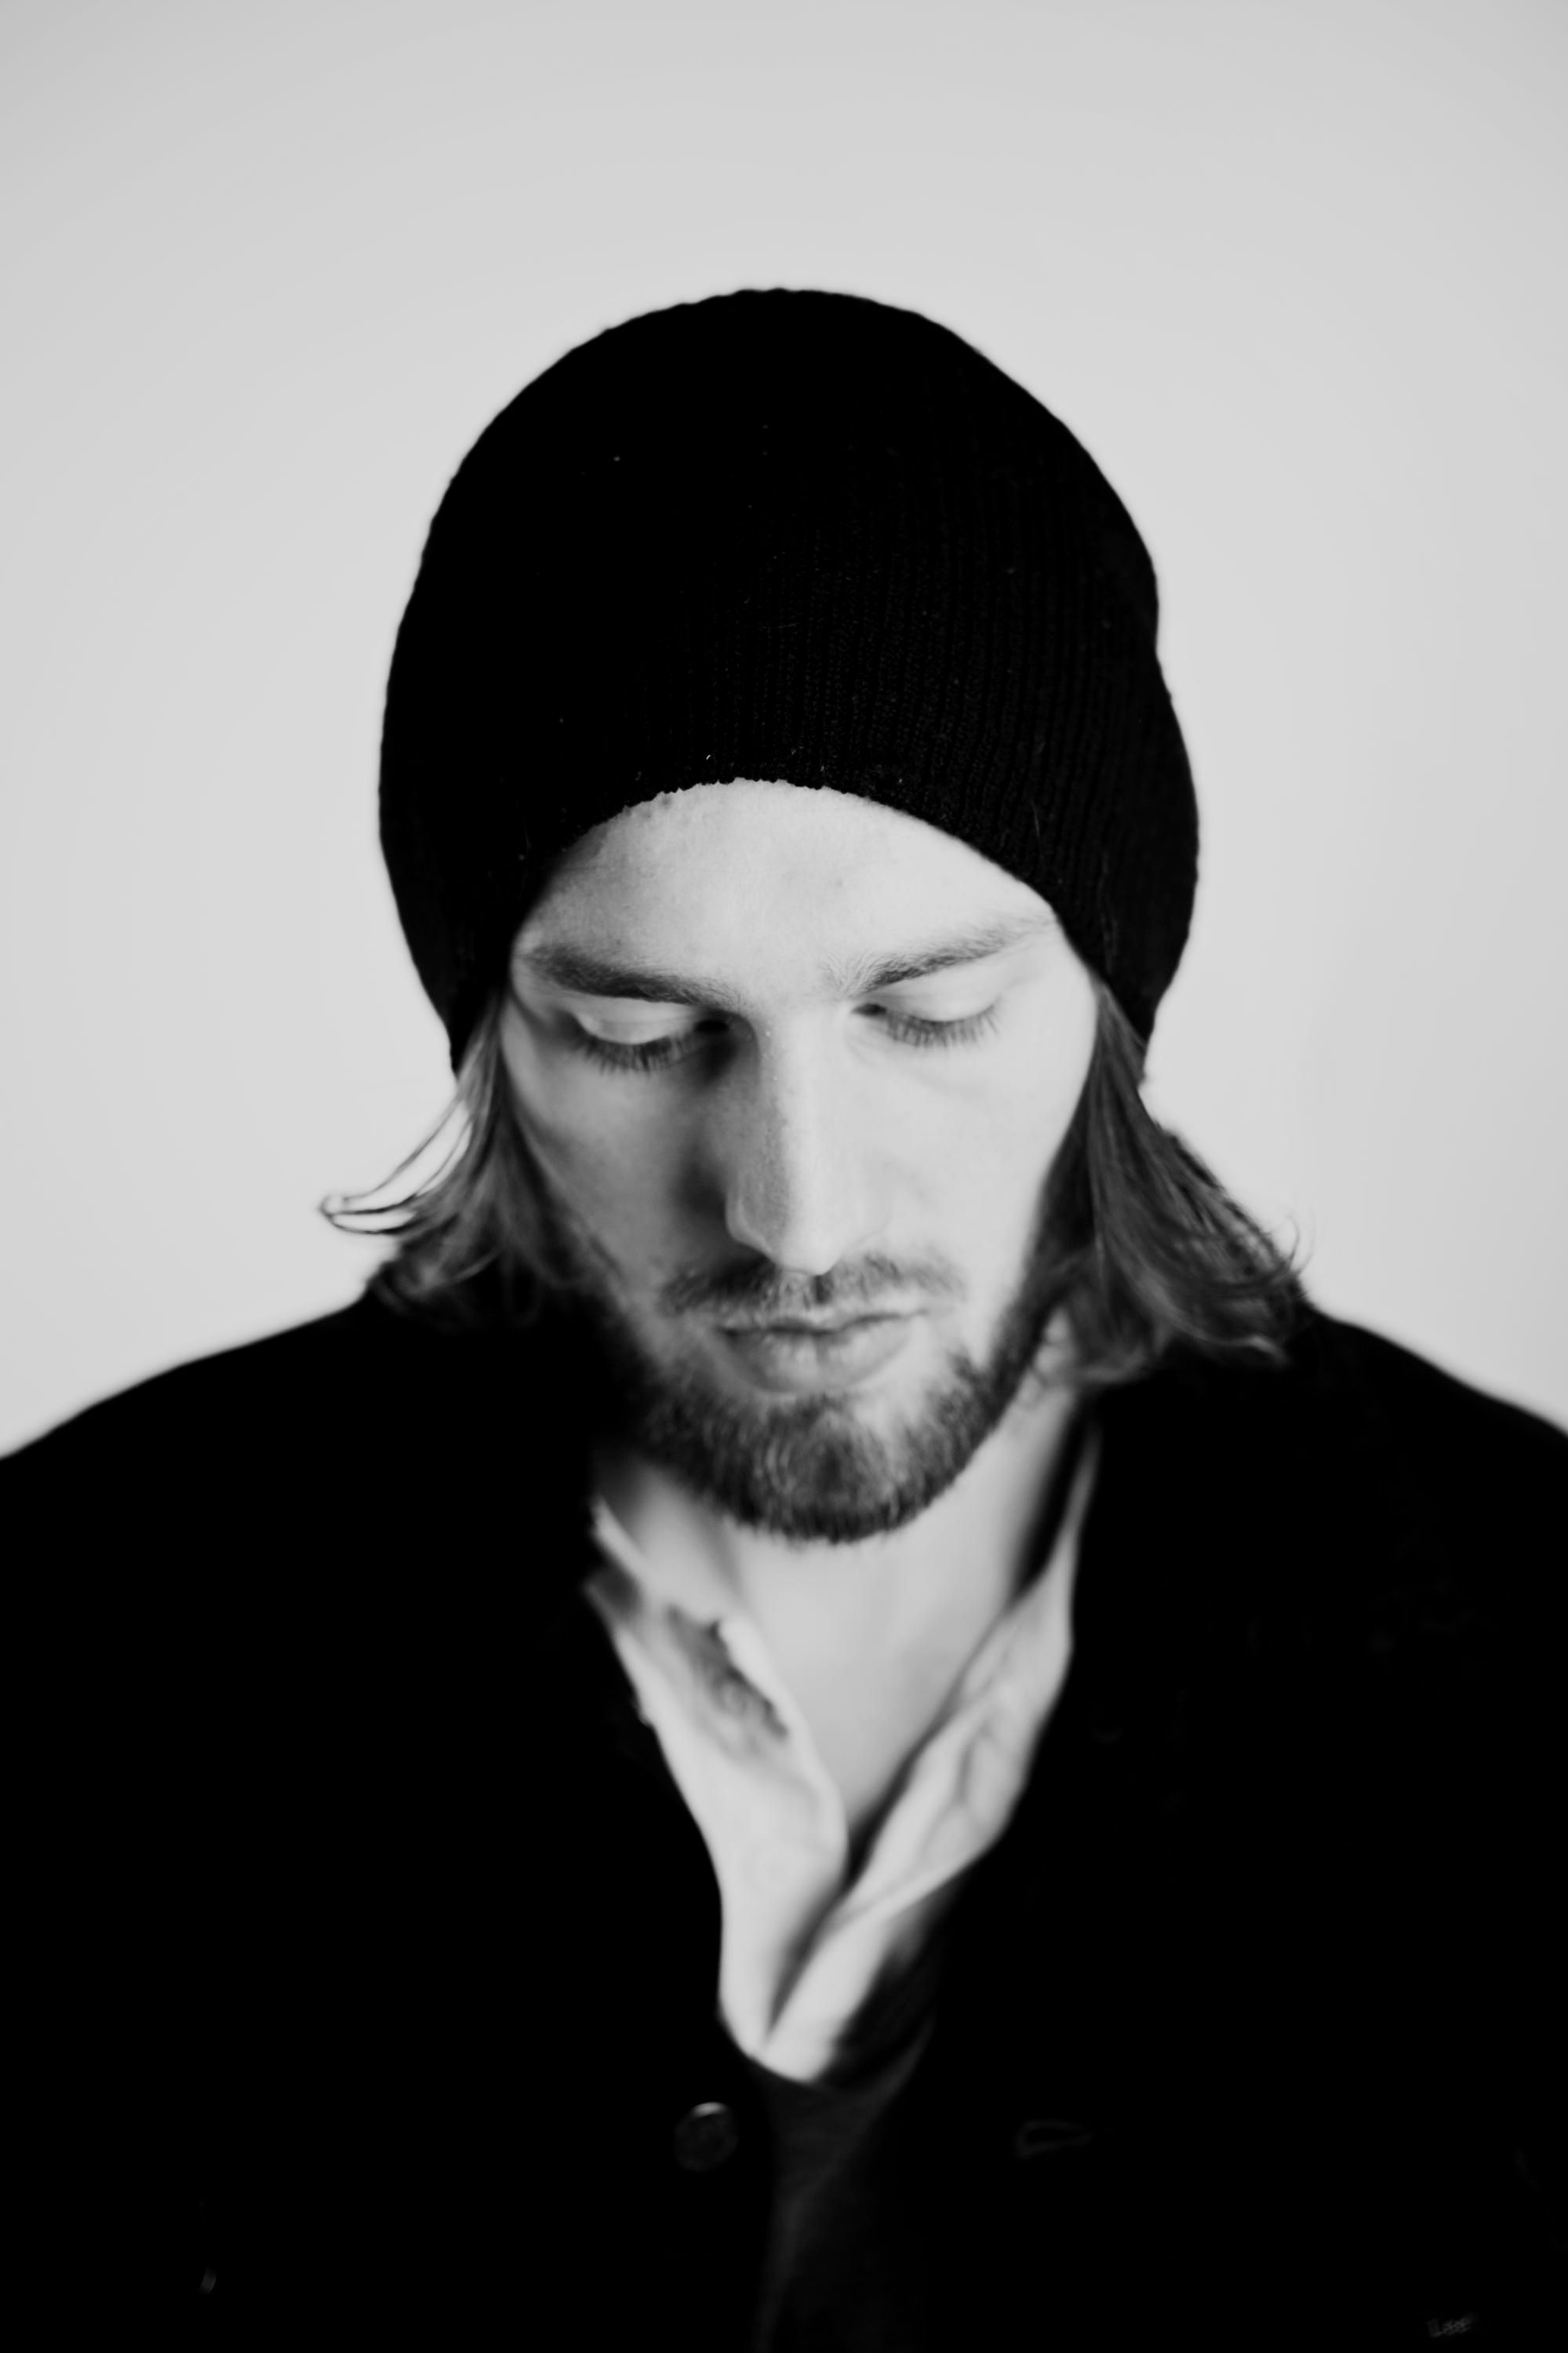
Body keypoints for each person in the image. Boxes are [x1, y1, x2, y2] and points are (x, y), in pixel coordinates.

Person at [8, 289, 1563, 2348]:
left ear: (1111, 1004)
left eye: (929, 1014)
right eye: (641, 1034)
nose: (797, 1214)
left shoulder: (1535, 1644)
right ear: (489, 1034)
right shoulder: (72, 1652)